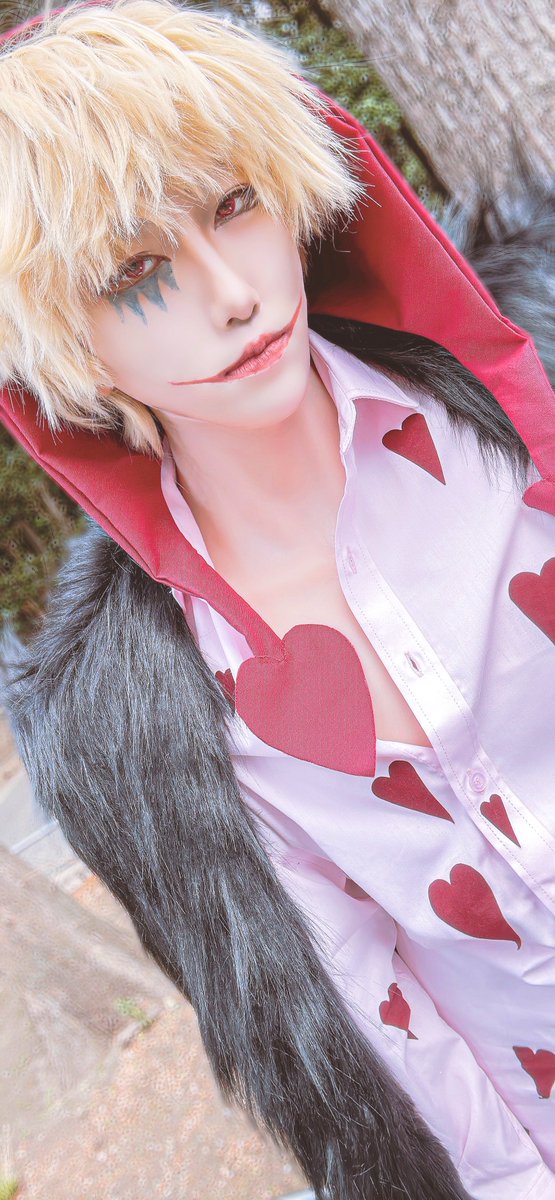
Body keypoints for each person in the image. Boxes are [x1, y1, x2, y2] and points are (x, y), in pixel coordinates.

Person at [1, 1, 554, 1196]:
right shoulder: (158, 718)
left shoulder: (524, 427)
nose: (234, 293)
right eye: (135, 271)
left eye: (236, 205)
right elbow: (384, 1032)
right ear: (61, 341)